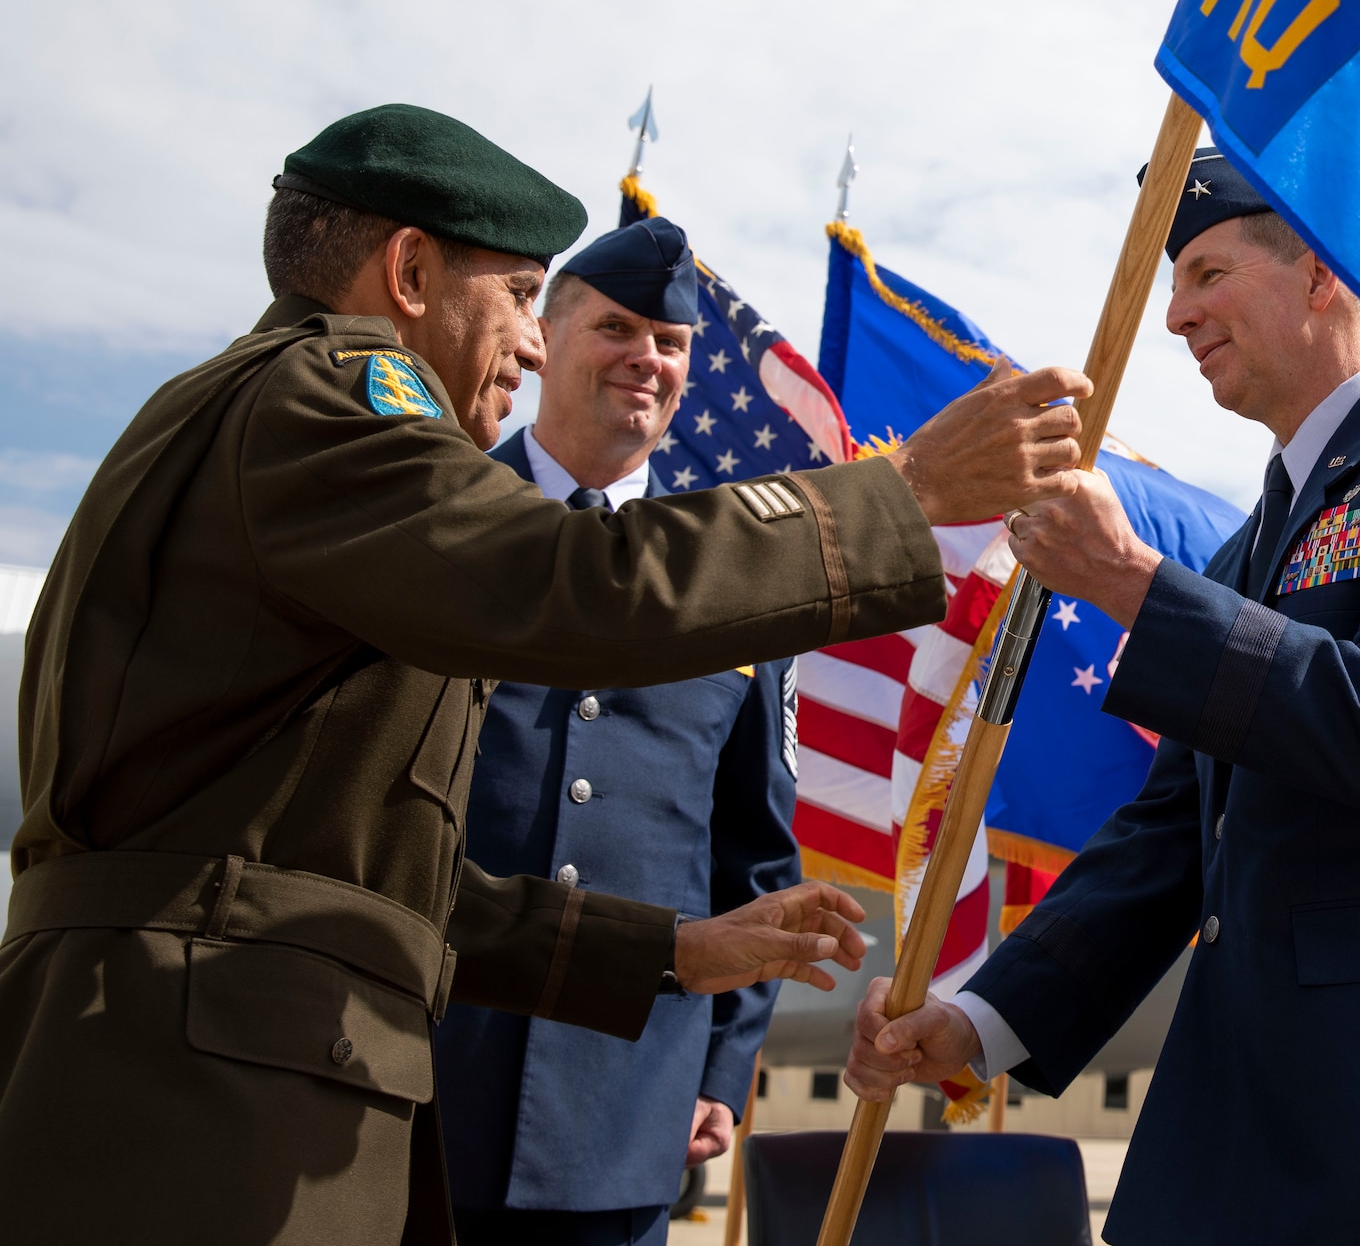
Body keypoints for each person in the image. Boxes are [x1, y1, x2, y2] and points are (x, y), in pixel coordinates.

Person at [0, 103, 1090, 1245]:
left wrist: (673, 952)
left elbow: (366, 881)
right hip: (207, 1104)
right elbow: (573, 583)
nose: (528, 342)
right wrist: (900, 494)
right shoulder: (327, 402)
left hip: (231, 1076)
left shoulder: (260, 421)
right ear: (410, 271)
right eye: (521, 295)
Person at [843, 150, 1360, 1244]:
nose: (1173, 315)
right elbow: (1172, 835)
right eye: (1171, 283)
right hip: (1244, 1129)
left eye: (1205, 272)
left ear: (1321, 274)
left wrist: (1127, 583)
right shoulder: (1254, 547)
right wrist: (975, 1020)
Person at [435, 215, 802, 1246]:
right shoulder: (441, 523)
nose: (647, 356)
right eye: (616, 327)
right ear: (545, 338)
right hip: (425, 1080)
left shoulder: (733, 577)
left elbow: (755, 862)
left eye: (671, 341)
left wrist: (720, 1069)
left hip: (630, 1106)